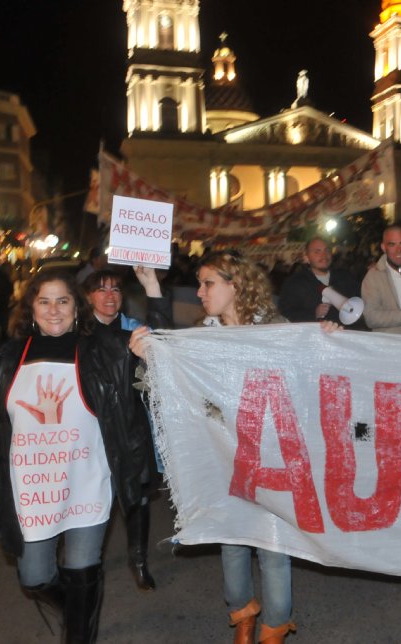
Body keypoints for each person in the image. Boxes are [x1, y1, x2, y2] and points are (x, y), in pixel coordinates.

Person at [131, 252, 337, 643]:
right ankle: (242, 614)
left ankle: (274, 629)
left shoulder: (276, 329)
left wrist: (323, 338)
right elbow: (170, 386)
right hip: (224, 455)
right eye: (200, 283)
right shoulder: (201, 335)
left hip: (273, 455)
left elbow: (309, 372)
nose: (200, 291)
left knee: (274, 545)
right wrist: (149, 360)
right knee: (232, 540)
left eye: (208, 283)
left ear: (235, 285)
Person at [0, 270, 153, 643]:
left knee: (82, 567)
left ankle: (77, 635)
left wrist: (147, 338)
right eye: (44, 301)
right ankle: (77, 611)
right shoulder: (6, 360)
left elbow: (163, 352)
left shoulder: (108, 350)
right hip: (32, 494)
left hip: (88, 483)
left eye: (63, 301)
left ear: (77, 307)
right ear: (31, 308)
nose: (54, 310)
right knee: (35, 577)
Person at [82, 268, 157, 591]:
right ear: (88, 297)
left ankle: (138, 560)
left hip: (132, 426)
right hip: (92, 428)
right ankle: (86, 563)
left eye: (115, 289)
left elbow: (160, 352)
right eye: (101, 290)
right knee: (95, 496)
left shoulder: (134, 330)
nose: (109, 296)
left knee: (137, 495)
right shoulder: (77, 333)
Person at [278, 237, 362, 325]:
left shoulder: (344, 277)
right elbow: (285, 314)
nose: (324, 255)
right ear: (306, 257)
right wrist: (314, 313)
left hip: (343, 334)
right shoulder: (294, 283)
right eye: (317, 252)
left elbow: (358, 303)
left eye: (327, 250)